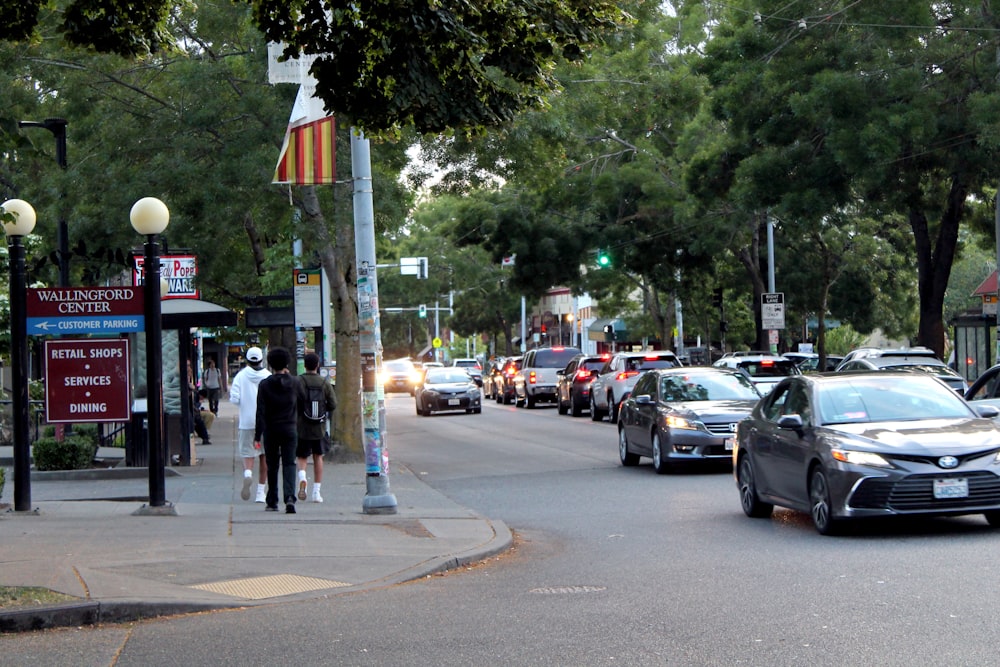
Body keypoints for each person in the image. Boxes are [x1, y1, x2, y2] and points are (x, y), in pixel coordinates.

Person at [254, 347, 300, 514]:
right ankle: (289, 497)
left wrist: (257, 435)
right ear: (287, 363)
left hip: (271, 429)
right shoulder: (295, 383)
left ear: (271, 364)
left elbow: (260, 411)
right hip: (290, 427)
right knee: (289, 463)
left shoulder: (265, 384)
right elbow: (301, 405)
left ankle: (272, 500)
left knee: (272, 465)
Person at [230, 346, 271, 502]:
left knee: (248, 454)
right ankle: (261, 493)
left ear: (247, 359)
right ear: (262, 359)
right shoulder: (268, 376)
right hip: (265, 423)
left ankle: (247, 473)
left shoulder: (240, 376)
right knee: (264, 456)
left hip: (247, 422)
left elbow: (234, 399)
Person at [296, 352, 337, 503]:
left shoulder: (298, 381)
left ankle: (302, 478)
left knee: (301, 456)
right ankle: (316, 493)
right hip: (319, 426)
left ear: (305, 365)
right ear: (317, 365)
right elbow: (333, 404)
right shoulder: (324, 382)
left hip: (302, 426)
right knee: (318, 456)